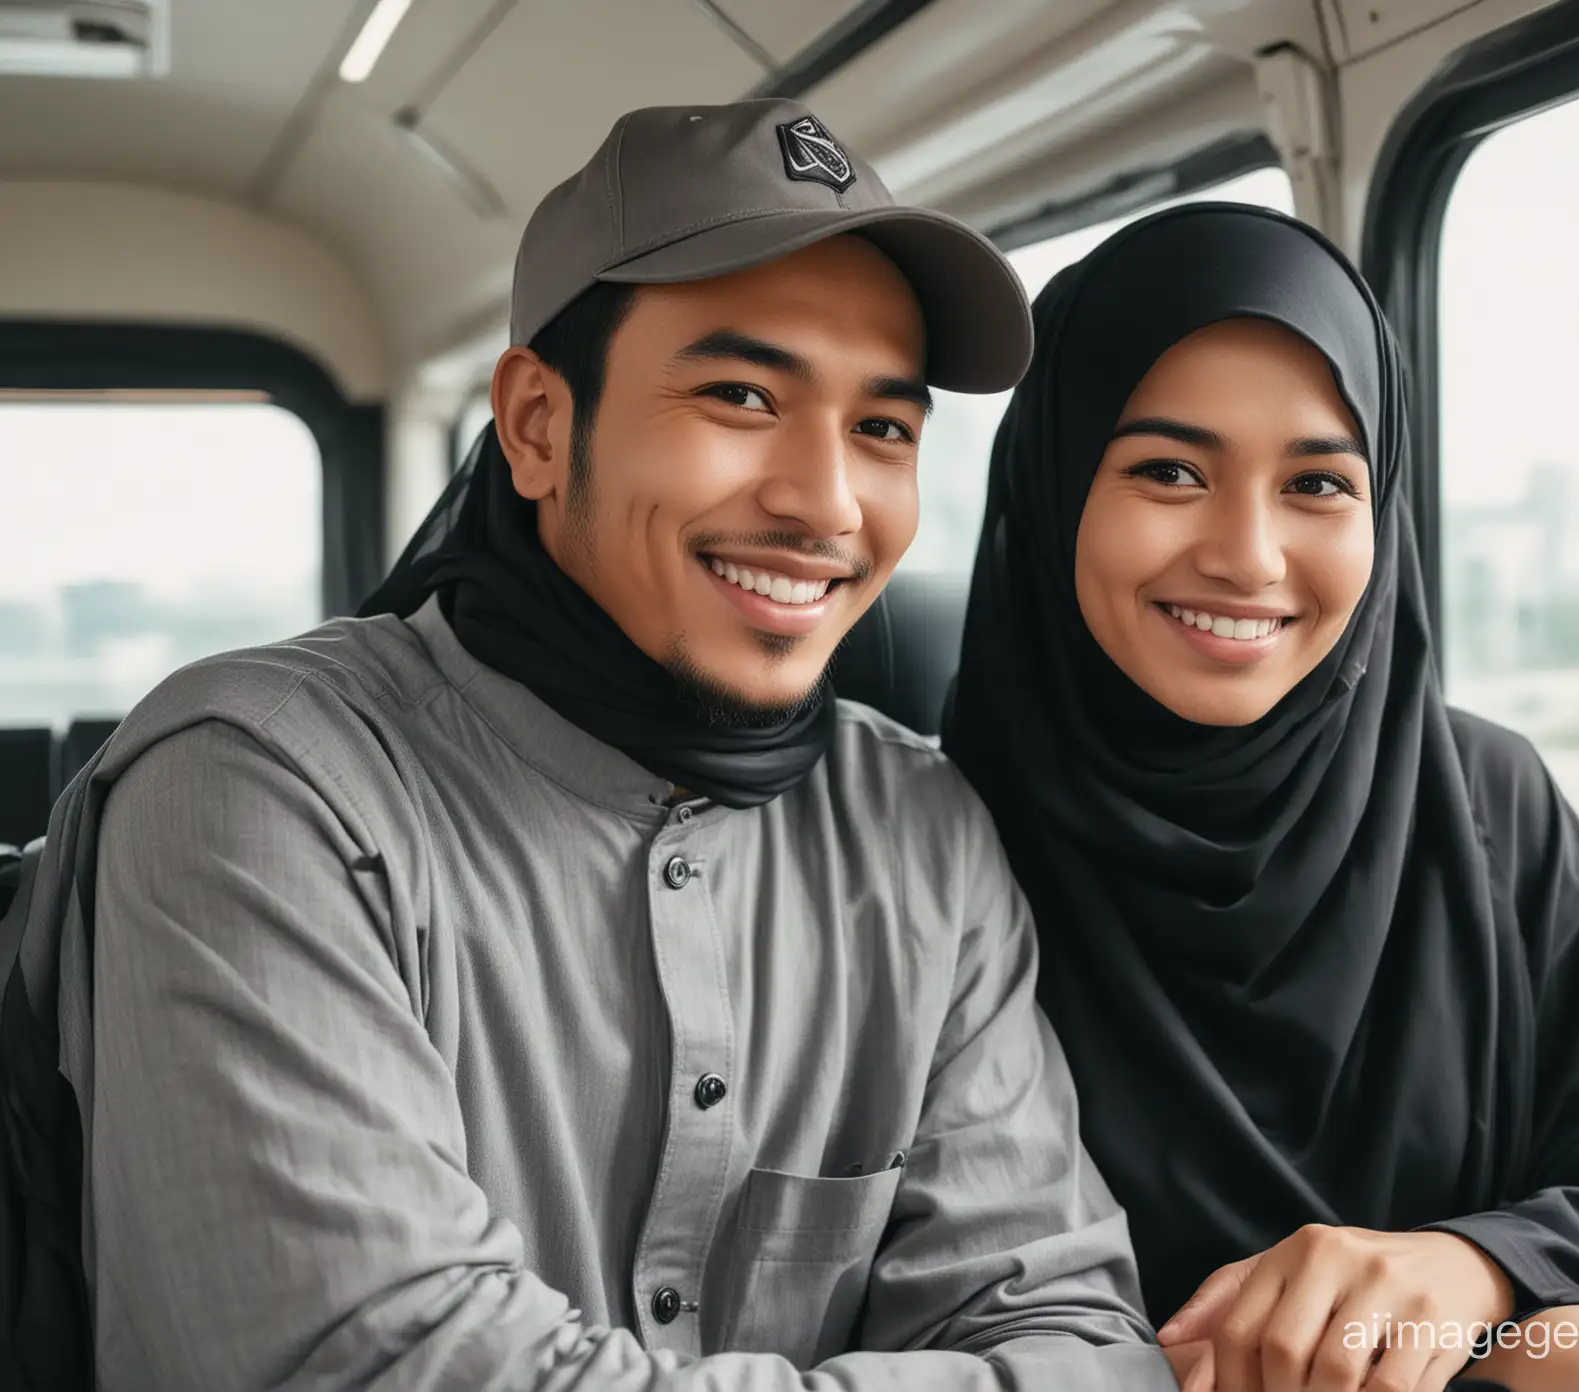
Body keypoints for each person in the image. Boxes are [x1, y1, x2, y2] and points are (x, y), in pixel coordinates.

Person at [8, 100, 1180, 1390]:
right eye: (741, 395)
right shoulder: (261, 788)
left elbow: (1081, 1343)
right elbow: (367, 1370)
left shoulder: (921, 831)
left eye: (882, 429)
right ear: (536, 425)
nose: (827, 503)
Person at [941, 204, 1579, 1392]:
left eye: (1317, 482)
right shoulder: (923, 847)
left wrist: (1479, 1270)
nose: (1247, 556)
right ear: (1053, 487)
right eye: (1167, 470)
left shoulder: (1487, 804)